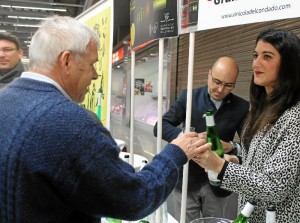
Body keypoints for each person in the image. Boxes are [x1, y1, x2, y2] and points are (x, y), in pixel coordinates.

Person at [0, 16, 212, 223]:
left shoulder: (4, 100)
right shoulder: (72, 124)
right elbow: (135, 198)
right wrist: (175, 152)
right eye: (92, 64)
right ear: (66, 61)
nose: (95, 75)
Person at [193, 28, 300, 222]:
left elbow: (275, 186)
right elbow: (263, 162)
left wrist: (219, 165)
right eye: (255, 55)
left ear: (288, 65)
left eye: (267, 56)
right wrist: (236, 160)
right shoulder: (261, 107)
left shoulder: (295, 117)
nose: (256, 63)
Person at [153, 56, 249, 222]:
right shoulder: (189, 97)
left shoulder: (241, 107)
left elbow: (250, 145)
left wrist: (231, 146)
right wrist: (186, 137)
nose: (220, 89)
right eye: (217, 81)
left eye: (228, 85)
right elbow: (160, 126)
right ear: (209, 75)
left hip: (220, 181)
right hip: (186, 179)